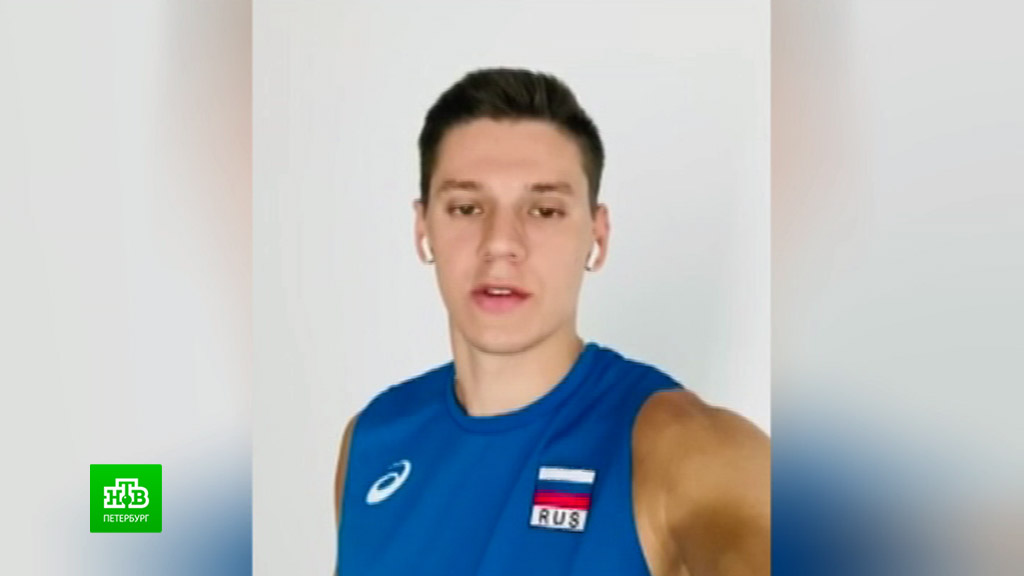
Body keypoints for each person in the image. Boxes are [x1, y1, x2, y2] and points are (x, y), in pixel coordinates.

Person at [333, 68, 769, 576]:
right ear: (422, 227)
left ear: (597, 235)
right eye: (467, 208)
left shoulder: (685, 451)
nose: (501, 243)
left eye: (544, 211)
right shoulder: (372, 441)